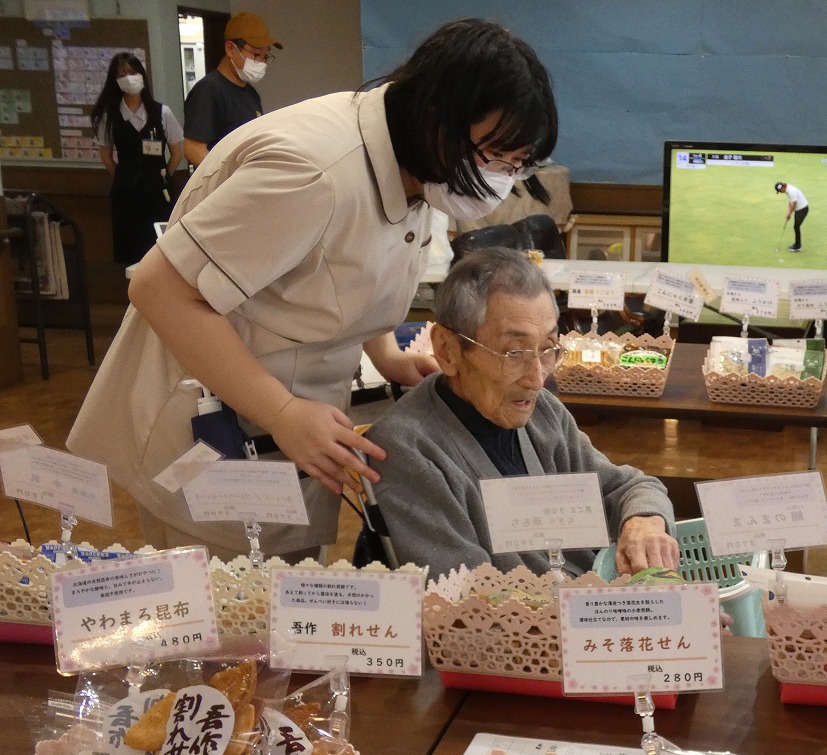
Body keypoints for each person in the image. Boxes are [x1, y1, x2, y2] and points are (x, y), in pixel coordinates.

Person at [68, 18, 558, 561]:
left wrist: (388, 357)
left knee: (288, 589)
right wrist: (280, 410)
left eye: (517, 166)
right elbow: (160, 290)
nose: (499, 179)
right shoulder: (313, 172)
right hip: (210, 431)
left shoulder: (418, 165)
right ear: (437, 118)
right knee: (233, 603)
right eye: (494, 158)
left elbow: (346, 270)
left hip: (288, 427)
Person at [367, 248, 681, 577]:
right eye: (514, 352)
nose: (537, 379)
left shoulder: (544, 413)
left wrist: (643, 522)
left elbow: (628, 488)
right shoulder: (406, 451)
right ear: (447, 350)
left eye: (547, 349)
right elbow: (469, 594)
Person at [89, 52, 183, 266]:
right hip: (126, 194)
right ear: (115, 80)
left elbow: (176, 154)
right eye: (122, 74)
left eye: (132, 72)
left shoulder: (162, 112)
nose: (128, 78)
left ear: (141, 74)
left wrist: (164, 176)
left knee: (161, 250)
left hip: (158, 192)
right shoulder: (110, 115)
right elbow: (106, 156)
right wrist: (123, 177)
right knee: (131, 250)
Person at [182, 11, 280, 168]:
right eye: (256, 54)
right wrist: (228, 177)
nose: (261, 62)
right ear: (230, 49)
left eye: (265, 56)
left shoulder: (251, 94)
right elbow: (193, 149)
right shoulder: (209, 90)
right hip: (227, 181)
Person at [775, 181, 809, 252]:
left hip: (802, 209)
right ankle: (797, 244)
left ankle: (798, 246)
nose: (780, 192)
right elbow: (790, 202)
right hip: (799, 209)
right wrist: (788, 213)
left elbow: (794, 204)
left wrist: (789, 214)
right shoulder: (787, 190)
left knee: (796, 227)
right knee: (796, 226)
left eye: (780, 191)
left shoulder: (791, 191)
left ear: (782, 188)